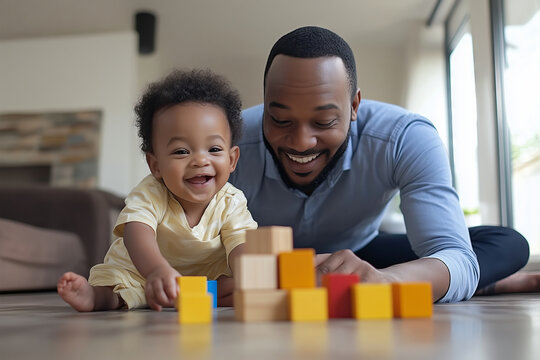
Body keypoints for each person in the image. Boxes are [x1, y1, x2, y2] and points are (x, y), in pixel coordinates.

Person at [229, 26, 536, 303]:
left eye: (324, 121)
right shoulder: (229, 142)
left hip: (362, 253)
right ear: (265, 103)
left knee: (508, 243)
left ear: (354, 107)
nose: (300, 141)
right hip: (259, 262)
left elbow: (456, 254)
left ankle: (406, 280)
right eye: (280, 120)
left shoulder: (405, 137)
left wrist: (386, 280)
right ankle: (452, 284)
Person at [58, 69, 257, 311]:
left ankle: (188, 296)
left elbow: (241, 245)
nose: (200, 161)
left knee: (238, 284)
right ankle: (96, 297)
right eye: (182, 151)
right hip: (143, 273)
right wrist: (156, 270)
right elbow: (137, 232)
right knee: (119, 286)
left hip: (204, 281)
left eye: (214, 149)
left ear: (232, 159)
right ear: (156, 165)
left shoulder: (232, 201)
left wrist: (250, 274)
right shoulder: (151, 193)